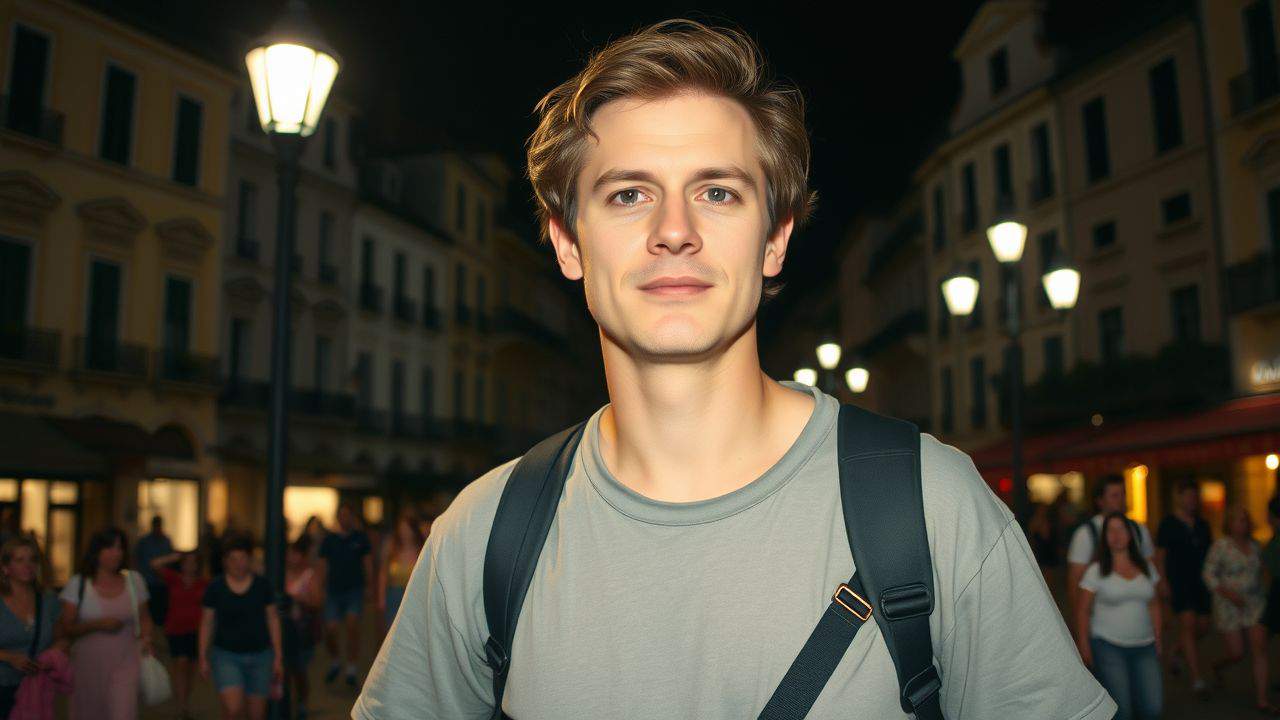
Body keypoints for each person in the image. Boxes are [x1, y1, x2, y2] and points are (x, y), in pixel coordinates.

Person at [354, 19, 1115, 720]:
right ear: (567, 243)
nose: (675, 231)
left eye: (718, 192)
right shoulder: (482, 536)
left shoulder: (932, 506)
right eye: (628, 194)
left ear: (775, 239)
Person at [58, 527, 152, 720]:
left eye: (120, 548)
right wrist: (97, 625)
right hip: (88, 666)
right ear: (96, 551)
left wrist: (147, 639)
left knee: (122, 712)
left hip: (126, 660)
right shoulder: (79, 584)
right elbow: (66, 627)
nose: (116, 553)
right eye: (109, 548)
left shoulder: (134, 581)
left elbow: (144, 618)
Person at [1075, 512, 1163, 720]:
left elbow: (1155, 605)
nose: (1116, 535)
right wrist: (1084, 645)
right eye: (1110, 530)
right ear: (1104, 538)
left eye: (1121, 529)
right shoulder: (1096, 571)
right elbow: (1083, 610)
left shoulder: (1146, 567)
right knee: (1122, 710)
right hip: (1108, 646)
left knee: (1153, 708)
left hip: (1145, 645)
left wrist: (1158, 639)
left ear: (1131, 534)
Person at [1203, 505, 1277, 714]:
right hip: (1228, 605)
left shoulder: (1255, 545)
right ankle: (1218, 666)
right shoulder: (1221, 546)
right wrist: (1227, 593)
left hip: (1254, 603)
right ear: (1230, 524)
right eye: (1237, 520)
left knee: (1259, 648)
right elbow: (1209, 574)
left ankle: (1262, 699)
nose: (1242, 524)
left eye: (1245, 520)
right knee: (1237, 652)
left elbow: (1263, 571)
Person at [200, 534, 283, 720]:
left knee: (256, 714)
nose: (239, 564)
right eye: (233, 559)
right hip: (226, 655)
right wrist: (203, 655)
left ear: (250, 560)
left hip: (260, 656)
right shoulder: (215, 587)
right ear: (225, 562)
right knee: (233, 709)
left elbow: (272, 619)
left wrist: (278, 655)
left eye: (243, 558)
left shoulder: (262, 585)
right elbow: (207, 622)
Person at [1067, 475, 1156, 626]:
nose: (1121, 500)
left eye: (1123, 494)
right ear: (1100, 501)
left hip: (1139, 621)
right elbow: (1075, 583)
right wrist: (1079, 624)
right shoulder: (1086, 534)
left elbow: (1151, 572)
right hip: (1100, 623)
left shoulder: (1139, 530)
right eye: (1115, 495)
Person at [1154, 479, 1212, 697]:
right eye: (1187, 495)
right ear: (1178, 497)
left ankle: (1177, 651)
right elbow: (1160, 556)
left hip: (1201, 583)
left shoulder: (1202, 524)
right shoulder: (1168, 524)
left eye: (1194, 496)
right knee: (1187, 624)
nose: (1192, 500)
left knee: (1203, 626)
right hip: (1179, 582)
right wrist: (1162, 581)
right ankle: (1197, 679)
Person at [0, 537, 64, 717]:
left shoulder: (48, 599)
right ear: (5, 568)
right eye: (19, 560)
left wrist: (50, 656)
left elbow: (63, 637)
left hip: (35, 687)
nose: (28, 565)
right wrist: (9, 657)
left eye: (32, 560)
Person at [150, 550, 208, 720]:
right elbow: (154, 565)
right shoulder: (173, 578)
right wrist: (173, 557)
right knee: (180, 663)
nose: (190, 565)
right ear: (182, 564)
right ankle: (182, 706)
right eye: (187, 562)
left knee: (190, 669)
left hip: (195, 631)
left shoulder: (203, 583)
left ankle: (184, 701)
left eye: (194, 562)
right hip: (175, 629)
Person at [320, 504, 371, 687]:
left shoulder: (360, 538)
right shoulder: (329, 540)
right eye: (341, 515)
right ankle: (335, 660)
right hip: (333, 590)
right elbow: (323, 565)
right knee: (331, 628)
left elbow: (367, 562)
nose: (344, 518)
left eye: (348, 515)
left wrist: (368, 585)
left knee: (352, 627)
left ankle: (351, 668)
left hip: (354, 590)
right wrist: (319, 587)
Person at [284, 537, 322, 720]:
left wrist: (300, 600)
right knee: (286, 670)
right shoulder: (278, 574)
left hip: (302, 631)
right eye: (289, 554)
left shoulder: (309, 575)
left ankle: (302, 701)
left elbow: (317, 602)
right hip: (284, 631)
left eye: (296, 554)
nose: (292, 558)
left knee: (299, 670)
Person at [377, 510, 424, 633]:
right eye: (402, 529)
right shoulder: (391, 547)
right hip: (394, 595)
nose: (405, 533)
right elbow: (383, 573)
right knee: (391, 632)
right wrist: (381, 598)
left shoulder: (421, 550)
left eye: (407, 529)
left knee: (410, 633)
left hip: (413, 597)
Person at [135, 516, 174, 629]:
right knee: (148, 611)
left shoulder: (166, 541)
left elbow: (170, 560)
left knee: (161, 613)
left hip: (162, 583)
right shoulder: (144, 542)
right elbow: (137, 559)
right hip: (148, 582)